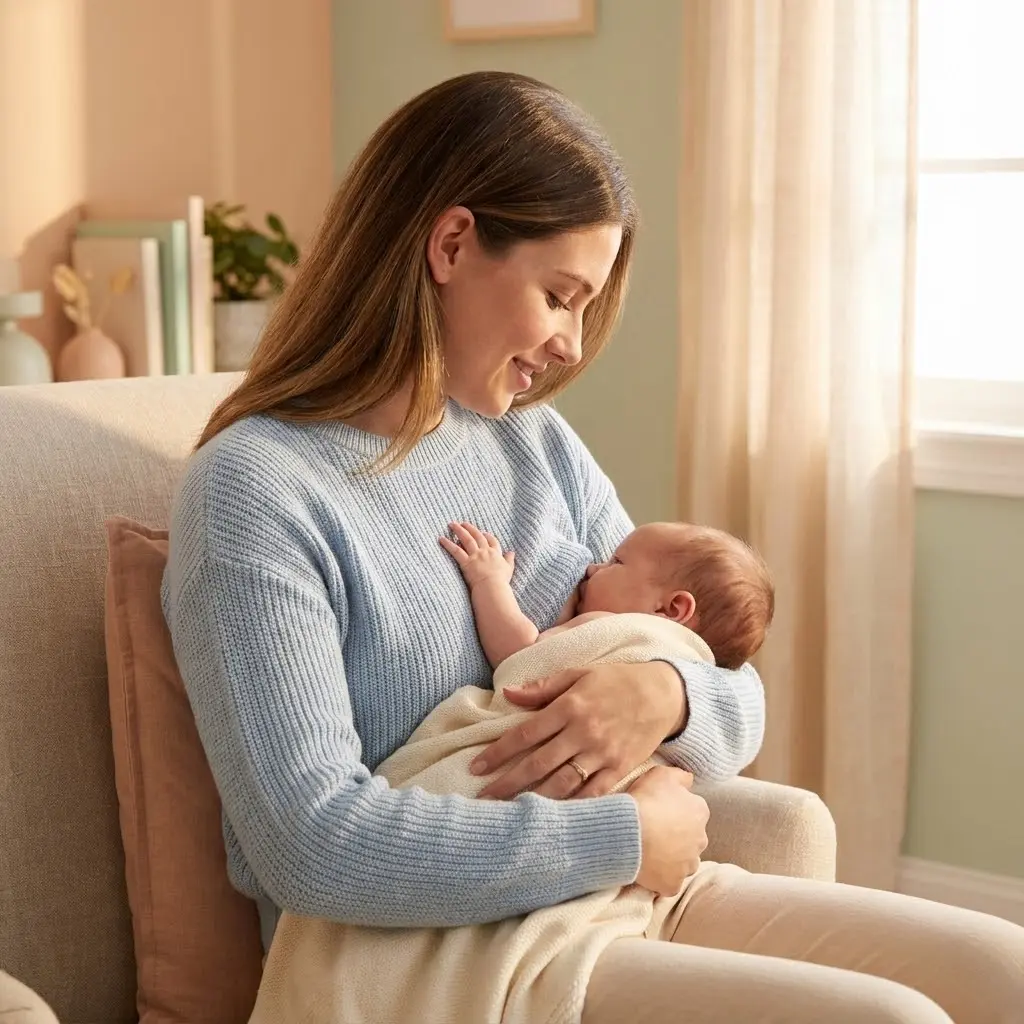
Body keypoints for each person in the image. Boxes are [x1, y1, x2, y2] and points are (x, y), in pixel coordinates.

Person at [163, 71, 1024, 1022]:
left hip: (612, 906)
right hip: (439, 956)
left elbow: (731, 684)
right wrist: (620, 838)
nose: (572, 346)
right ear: (451, 244)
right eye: (560, 296)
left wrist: (664, 693)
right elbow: (313, 844)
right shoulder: (257, 493)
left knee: (1001, 967)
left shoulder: (532, 444)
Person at [440, 519, 774, 670]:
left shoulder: (616, 632)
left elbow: (519, 656)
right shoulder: (688, 667)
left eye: (616, 561)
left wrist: (489, 581)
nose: (592, 568)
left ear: (671, 608)